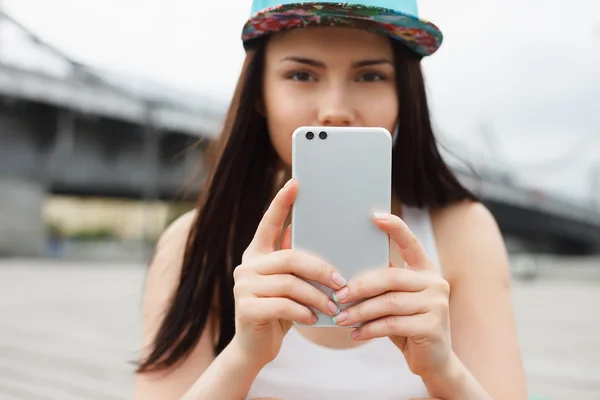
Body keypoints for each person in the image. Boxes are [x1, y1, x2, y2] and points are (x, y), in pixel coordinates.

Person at [133, 0, 528, 399]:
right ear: (259, 95)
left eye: (370, 75)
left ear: (404, 95)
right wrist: (244, 356)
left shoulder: (463, 233)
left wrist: (443, 370)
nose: (335, 111)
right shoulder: (195, 243)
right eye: (302, 74)